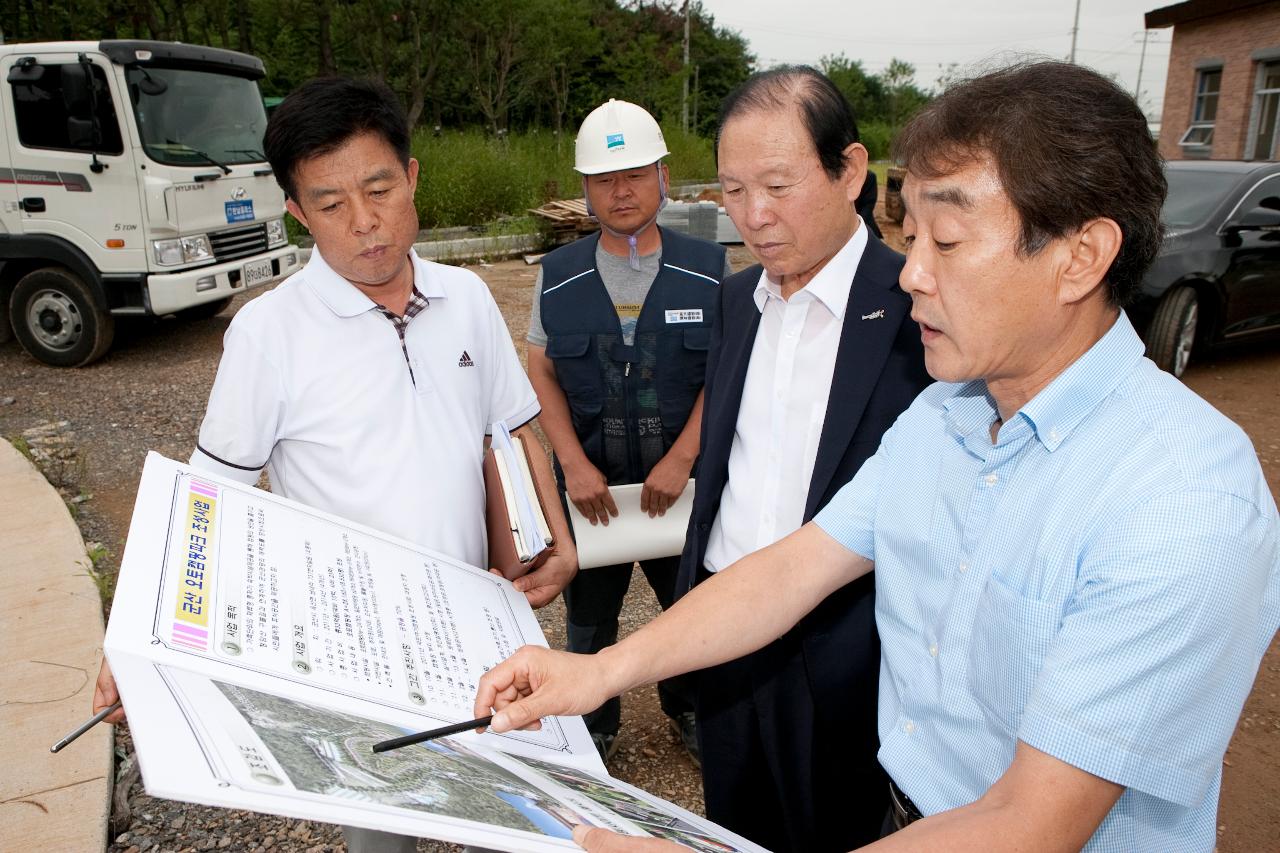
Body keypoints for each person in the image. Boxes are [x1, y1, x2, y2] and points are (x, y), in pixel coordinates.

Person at [475, 61, 1280, 853]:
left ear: (1081, 256)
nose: (915, 275)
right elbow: (790, 569)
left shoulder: (1183, 502)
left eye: (950, 241)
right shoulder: (944, 417)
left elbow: (1030, 823)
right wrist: (597, 671)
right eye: (913, 236)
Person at [93, 76, 578, 853]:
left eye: (380, 187)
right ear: (296, 212)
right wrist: (135, 641)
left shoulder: (468, 299)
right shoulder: (268, 333)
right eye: (329, 204)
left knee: (509, 817)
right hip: (355, 647)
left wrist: (559, 539)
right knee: (382, 828)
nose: (366, 223)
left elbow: (516, 427)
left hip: (477, 622)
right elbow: (208, 496)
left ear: (413, 176)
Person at [673, 67, 928, 852]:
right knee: (732, 826)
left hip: (844, 652)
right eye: (732, 190)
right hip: (725, 633)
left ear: (849, 171)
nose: (753, 216)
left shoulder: (918, 308)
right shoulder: (735, 301)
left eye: (778, 185)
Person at [527, 98, 730, 764]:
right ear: (583, 188)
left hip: (682, 488)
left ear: (663, 176)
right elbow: (542, 372)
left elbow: (722, 374)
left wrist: (684, 456)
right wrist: (573, 465)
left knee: (691, 610)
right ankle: (594, 725)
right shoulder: (557, 277)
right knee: (589, 619)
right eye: (605, 178)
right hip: (592, 491)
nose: (621, 191)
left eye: (636, 174)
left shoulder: (709, 268)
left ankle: (693, 709)